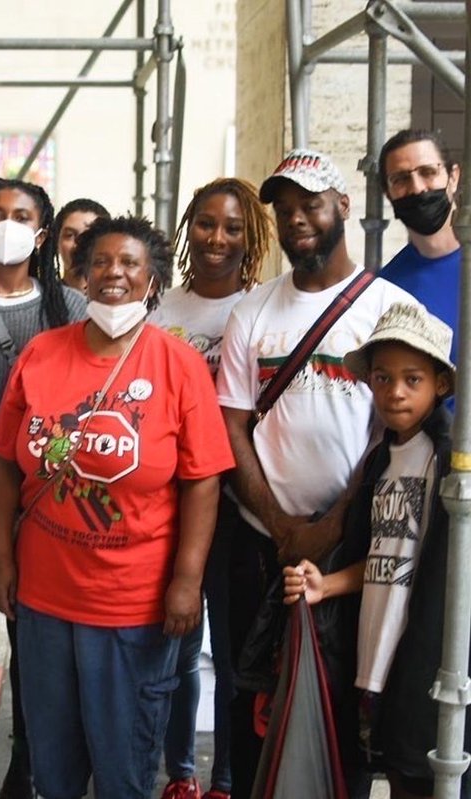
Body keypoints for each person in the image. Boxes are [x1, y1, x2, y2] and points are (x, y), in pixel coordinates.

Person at [0, 214, 234, 799]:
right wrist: (1, 557)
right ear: (82, 274)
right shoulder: (43, 353)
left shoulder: (178, 365)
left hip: (132, 608)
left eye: (129, 264)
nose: (113, 274)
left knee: (125, 770)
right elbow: (2, 461)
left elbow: (203, 482)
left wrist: (186, 580)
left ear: (152, 280)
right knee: (54, 767)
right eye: (100, 262)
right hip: (44, 603)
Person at [215, 148, 418, 799]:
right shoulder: (254, 311)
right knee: (253, 701)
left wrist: (331, 525)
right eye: (285, 207)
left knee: (338, 706)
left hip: (348, 549)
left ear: (344, 207)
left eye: (311, 203)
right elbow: (233, 426)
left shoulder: (386, 306)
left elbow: (390, 437)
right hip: (259, 544)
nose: (297, 217)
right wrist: (279, 524)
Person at [284, 302, 463, 799]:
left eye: (412, 379)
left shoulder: (451, 460)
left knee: (423, 778)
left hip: (422, 662)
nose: (395, 392)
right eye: (383, 379)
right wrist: (328, 584)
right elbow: (383, 557)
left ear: (440, 384)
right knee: (394, 776)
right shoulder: (382, 459)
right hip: (374, 656)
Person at [0, 177, 87, 799]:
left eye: (20, 216)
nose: (6, 225)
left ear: (42, 233)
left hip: (45, 522)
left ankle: (27, 773)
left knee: (41, 665)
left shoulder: (73, 311)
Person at [148, 177, 274, 799]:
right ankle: (181, 773)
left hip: (233, 503)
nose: (216, 237)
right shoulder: (160, 310)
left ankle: (225, 778)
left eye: (232, 227)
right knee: (173, 646)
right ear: (187, 227)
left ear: (250, 236)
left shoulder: (257, 310)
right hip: (165, 502)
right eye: (205, 222)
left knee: (228, 653)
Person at [377, 129, 462, 361]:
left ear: (453, 177)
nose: (417, 188)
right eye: (401, 179)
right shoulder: (387, 288)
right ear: (388, 194)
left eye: (428, 172)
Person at [53, 198, 109, 292]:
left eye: (89, 235)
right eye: (70, 235)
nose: (79, 244)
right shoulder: (43, 300)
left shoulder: (118, 300)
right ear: (57, 242)